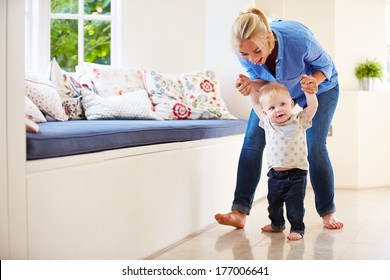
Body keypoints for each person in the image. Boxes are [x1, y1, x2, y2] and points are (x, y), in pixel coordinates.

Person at [214, 7, 344, 230]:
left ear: (267, 37)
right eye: (245, 55)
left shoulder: (298, 39)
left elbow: (326, 67)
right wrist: (249, 84)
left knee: (315, 146)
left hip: (320, 87)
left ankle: (327, 212)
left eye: (256, 51)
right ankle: (239, 211)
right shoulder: (243, 50)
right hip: (278, 92)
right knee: (252, 141)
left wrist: (313, 83)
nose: (252, 59)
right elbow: (260, 80)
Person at [249, 82, 318, 240]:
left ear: (291, 104)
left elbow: (313, 106)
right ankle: (277, 224)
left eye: (282, 104)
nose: (278, 109)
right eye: (272, 108)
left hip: (296, 174)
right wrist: (250, 90)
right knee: (274, 204)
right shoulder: (267, 123)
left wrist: (309, 92)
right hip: (274, 175)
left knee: (294, 206)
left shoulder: (299, 119)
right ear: (265, 113)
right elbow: (254, 103)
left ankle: (297, 229)